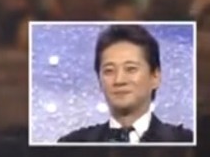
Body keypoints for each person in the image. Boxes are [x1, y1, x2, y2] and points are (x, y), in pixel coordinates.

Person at [58, 24, 193, 143]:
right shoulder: (72, 145)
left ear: (155, 77)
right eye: (109, 71)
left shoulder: (185, 141)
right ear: (99, 81)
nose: (119, 80)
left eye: (131, 69)